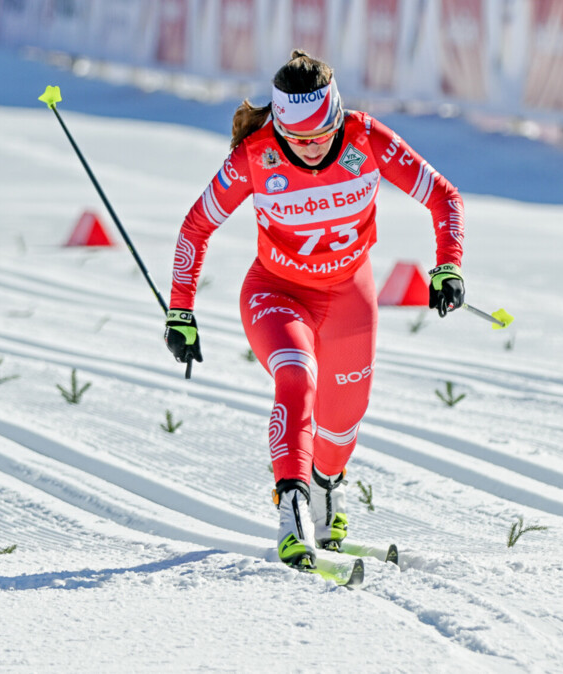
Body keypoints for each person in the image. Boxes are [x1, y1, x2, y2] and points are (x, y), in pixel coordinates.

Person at [164, 50, 466, 570]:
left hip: (350, 296)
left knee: (341, 423)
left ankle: (329, 508)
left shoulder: (366, 139)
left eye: (322, 133)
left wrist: (449, 267)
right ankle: (293, 512)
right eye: (298, 138)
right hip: (276, 294)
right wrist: (181, 311)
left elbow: (444, 197)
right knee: (297, 377)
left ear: (337, 115)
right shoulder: (256, 157)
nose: (310, 147)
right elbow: (196, 226)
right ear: (279, 125)